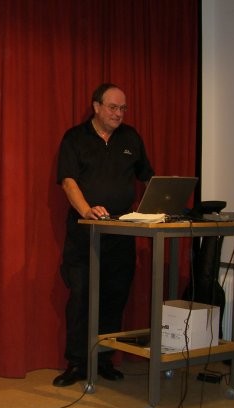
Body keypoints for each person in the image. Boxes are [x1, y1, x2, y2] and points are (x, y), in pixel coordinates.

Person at [54, 83, 154, 387]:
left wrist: (158, 206)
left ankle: (105, 359)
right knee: (81, 298)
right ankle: (77, 363)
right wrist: (86, 211)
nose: (119, 113)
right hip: (85, 235)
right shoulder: (75, 138)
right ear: (96, 107)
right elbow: (68, 182)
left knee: (114, 298)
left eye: (123, 108)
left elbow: (147, 177)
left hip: (122, 234)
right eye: (113, 107)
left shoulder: (131, 137)